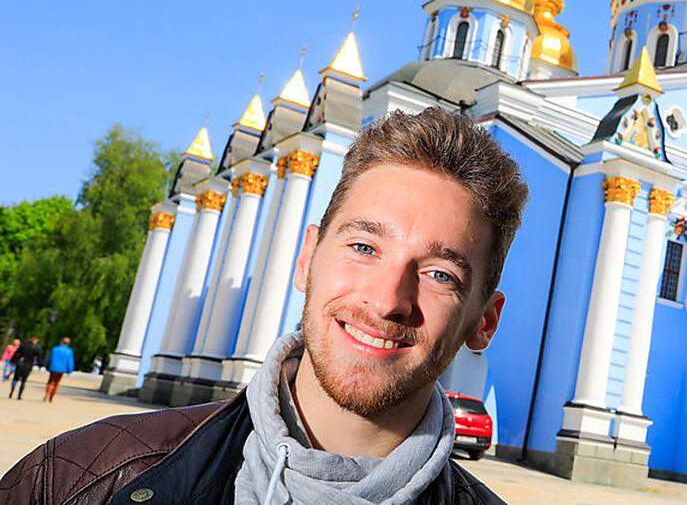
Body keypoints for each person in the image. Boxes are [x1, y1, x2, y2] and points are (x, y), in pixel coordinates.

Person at [0, 108, 527, 504]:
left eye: (439, 274)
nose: (387, 300)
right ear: (306, 260)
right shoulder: (83, 476)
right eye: (364, 247)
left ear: (485, 321)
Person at [7, 336, 42, 400]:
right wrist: (40, 365)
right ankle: (19, 396)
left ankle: (11, 392)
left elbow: (16, 354)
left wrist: (13, 361)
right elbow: (39, 358)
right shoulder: (37, 348)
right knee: (23, 380)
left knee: (15, 378)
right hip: (28, 365)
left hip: (20, 363)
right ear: (35, 341)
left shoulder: (23, 345)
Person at [44, 336, 75, 403]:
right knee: (56, 383)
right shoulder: (69, 351)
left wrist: (47, 366)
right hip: (62, 369)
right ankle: (51, 398)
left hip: (53, 367)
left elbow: (49, 358)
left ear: (61, 341)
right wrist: (70, 370)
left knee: (50, 381)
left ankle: (46, 395)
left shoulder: (55, 349)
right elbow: (70, 361)